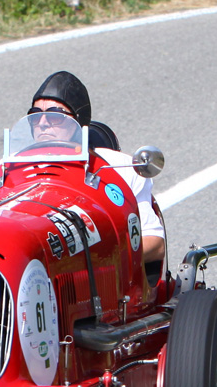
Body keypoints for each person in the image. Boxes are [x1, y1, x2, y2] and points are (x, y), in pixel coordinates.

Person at [29, 71, 166, 264]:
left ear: (78, 121)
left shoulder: (121, 169)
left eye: (55, 115)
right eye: (35, 116)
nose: (42, 123)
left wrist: (99, 261)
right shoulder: (6, 169)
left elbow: (154, 242)